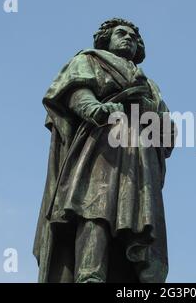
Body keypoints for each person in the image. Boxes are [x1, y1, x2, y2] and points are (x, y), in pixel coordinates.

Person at [33, 18, 175, 283]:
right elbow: (76, 91)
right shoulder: (90, 59)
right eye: (121, 33)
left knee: (137, 217)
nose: (128, 38)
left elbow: (167, 133)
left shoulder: (151, 85)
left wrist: (147, 110)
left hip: (140, 159)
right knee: (94, 209)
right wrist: (95, 110)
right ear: (106, 38)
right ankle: (89, 275)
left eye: (134, 37)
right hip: (101, 148)